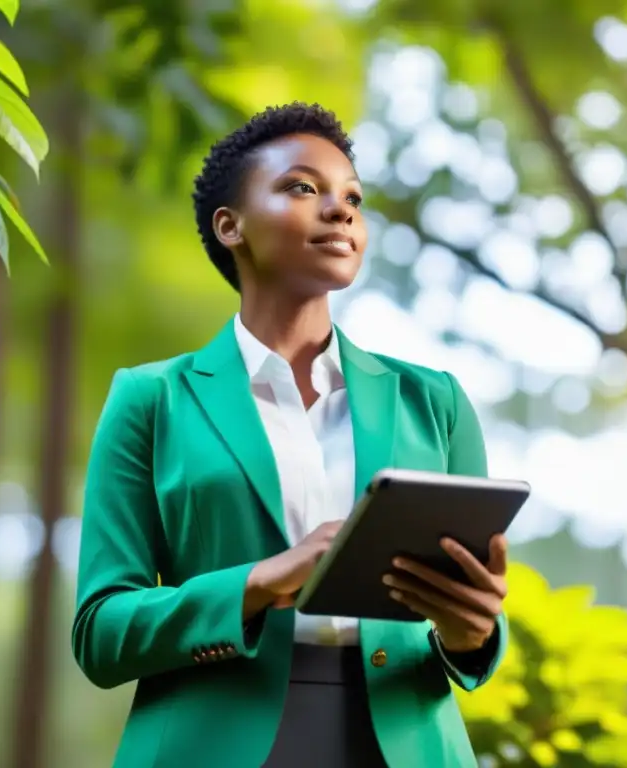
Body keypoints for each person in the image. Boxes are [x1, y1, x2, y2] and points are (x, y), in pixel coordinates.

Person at [72, 102, 510, 768]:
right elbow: (100, 633)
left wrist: (472, 631)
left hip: (405, 740)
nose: (340, 210)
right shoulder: (151, 399)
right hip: (209, 742)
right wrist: (258, 581)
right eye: (303, 188)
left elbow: (478, 630)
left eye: (352, 199)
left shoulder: (435, 401)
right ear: (231, 226)